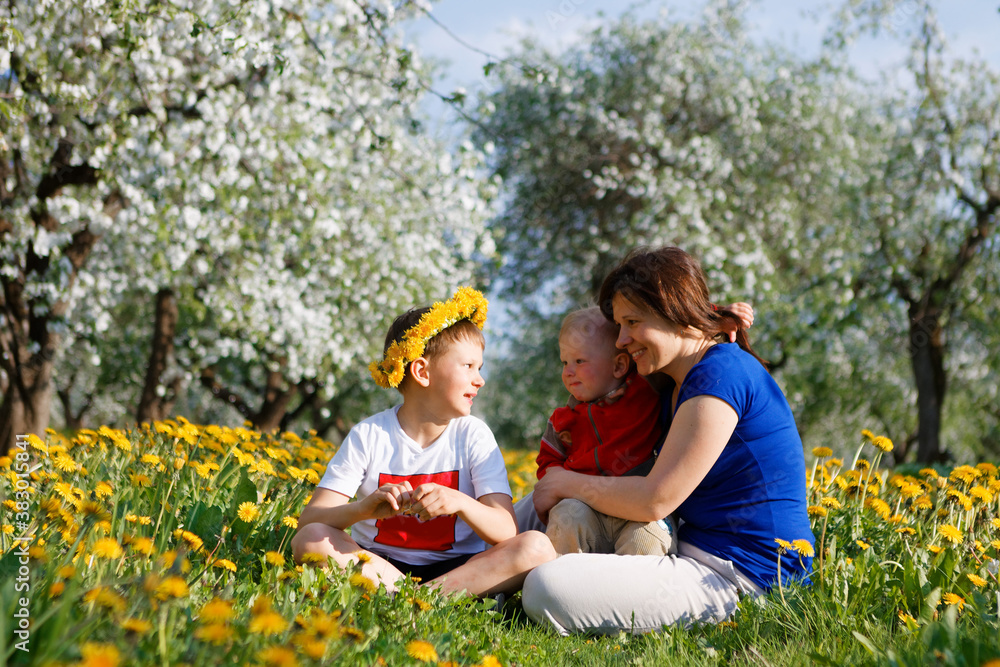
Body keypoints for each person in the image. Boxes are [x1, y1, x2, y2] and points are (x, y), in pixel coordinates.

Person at [523, 247, 815, 635]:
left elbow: (655, 499)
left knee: (546, 587)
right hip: (694, 550)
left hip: (742, 576)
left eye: (632, 322)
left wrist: (566, 483)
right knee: (535, 500)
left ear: (673, 312)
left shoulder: (721, 375)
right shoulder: (671, 383)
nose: (622, 339)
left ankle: (518, 568)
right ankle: (456, 555)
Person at [292, 287, 556, 597]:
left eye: (479, 368)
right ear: (422, 371)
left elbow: (506, 530)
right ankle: (422, 599)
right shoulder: (370, 434)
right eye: (468, 366)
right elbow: (310, 520)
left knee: (536, 547)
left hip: (460, 569)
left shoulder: (474, 435)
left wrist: (460, 502)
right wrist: (363, 509)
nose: (480, 380)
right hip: (377, 564)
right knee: (310, 538)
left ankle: (412, 598)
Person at [535, 306, 676, 556]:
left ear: (619, 365)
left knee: (645, 540)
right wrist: (556, 478)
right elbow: (549, 463)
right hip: (585, 506)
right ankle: (563, 585)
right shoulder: (562, 420)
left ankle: (633, 593)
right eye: (565, 362)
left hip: (638, 508)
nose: (568, 371)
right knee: (566, 518)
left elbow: (675, 336)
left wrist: (714, 316)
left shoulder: (644, 389)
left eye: (579, 361)